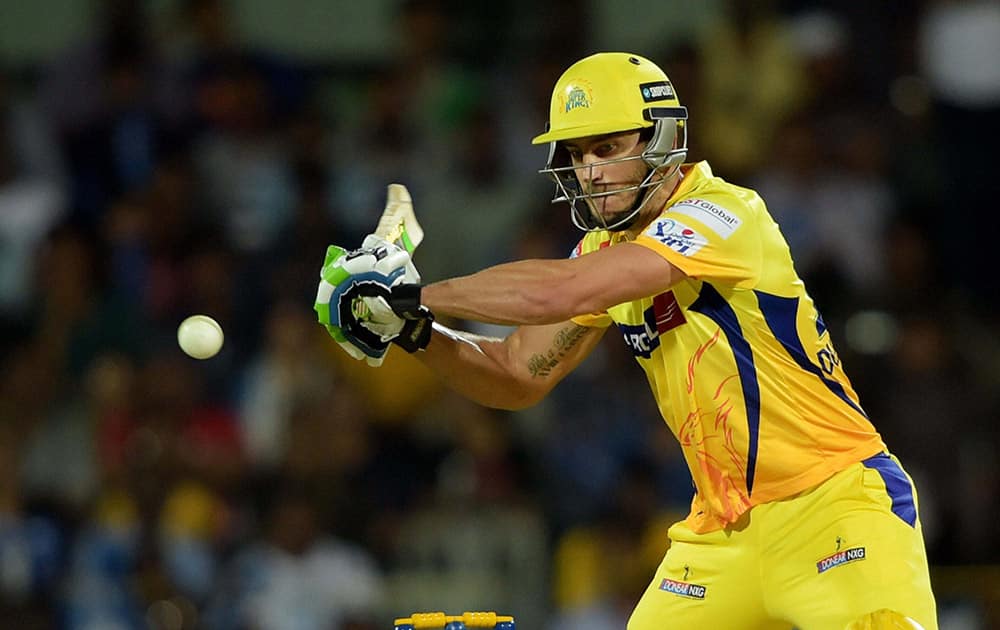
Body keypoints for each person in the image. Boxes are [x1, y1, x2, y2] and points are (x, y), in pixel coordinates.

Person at [313, 52, 937, 629]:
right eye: (577, 155)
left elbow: (565, 292)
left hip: (833, 502)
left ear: (660, 141)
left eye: (606, 148)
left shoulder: (724, 213)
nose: (589, 172)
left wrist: (413, 293)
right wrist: (418, 333)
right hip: (720, 532)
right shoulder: (601, 249)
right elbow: (515, 373)